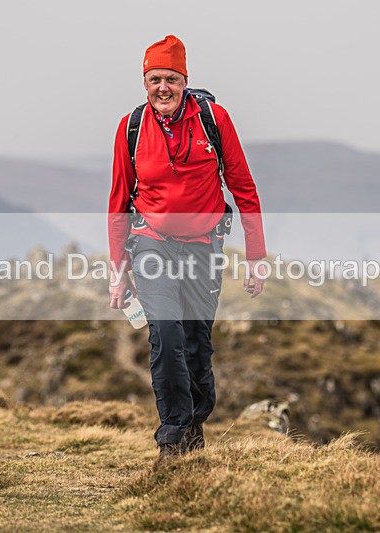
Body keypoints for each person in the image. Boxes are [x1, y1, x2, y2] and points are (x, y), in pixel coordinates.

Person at [108, 35, 267, 465]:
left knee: (197, 343)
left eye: (171, 79)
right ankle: (173, 438)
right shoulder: (131, 127)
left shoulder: (214, 120)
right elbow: (118, 203)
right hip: (152, 245)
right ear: (145, 82)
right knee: (166, 335)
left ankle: (195, 424)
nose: (163, 87)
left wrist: (256, 259)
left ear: (185, 80)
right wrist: (119, 270)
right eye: (155, 78)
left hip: (204, 248)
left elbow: (244, 189)